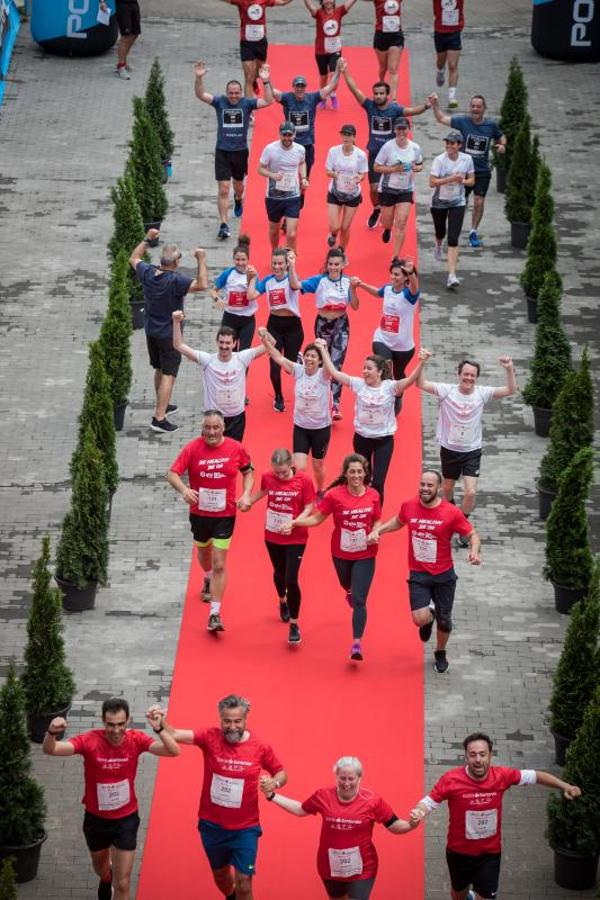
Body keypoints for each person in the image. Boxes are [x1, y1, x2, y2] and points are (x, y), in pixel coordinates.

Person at [409, 732, 581, 900]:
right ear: (466, 757)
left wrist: (564, 785)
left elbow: (536, 776)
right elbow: (429, 801)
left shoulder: (502, 776)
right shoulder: (451, 780)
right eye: (473, 755)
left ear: (490, 755)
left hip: (489, 854)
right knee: (458, 894)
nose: (478, 760)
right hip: (458, 853)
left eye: (482, 754)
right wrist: (419, 811)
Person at [43, 698, 179, 900]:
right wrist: (52, 732)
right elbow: (51, 749)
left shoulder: (136, 739)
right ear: (103, 721)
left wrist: (159, 729)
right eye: (111, 725)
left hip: (126, 819)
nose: (116, 730)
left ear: (128, 720)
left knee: (123, 882)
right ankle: (106, 878)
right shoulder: (89, 740)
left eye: (121, 724)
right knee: (101, 868)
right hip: (96, 820)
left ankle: (114, 882)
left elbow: (173, 751)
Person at [165, 694, 287, 900]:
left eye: (237, 721)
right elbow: (175, 734)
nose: (232, 726)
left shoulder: (260, 747)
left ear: (245, 720)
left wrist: (274, 783)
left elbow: (281, 772)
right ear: (220, 719)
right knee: (222, 877)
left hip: (245, 830)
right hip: (212, 826)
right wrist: (160, 724)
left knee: (244, 882)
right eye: (227, 721)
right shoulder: (209, 736)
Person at [368, 469, 480, 674]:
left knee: (445, 621)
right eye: (422, 484)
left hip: (444, 575)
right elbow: (399, 521)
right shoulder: (409, 505)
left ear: (439, 488)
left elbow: (472, 533)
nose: (425, 488)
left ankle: (440, 651)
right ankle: (428, 619)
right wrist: (378, 530)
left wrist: (474, 551)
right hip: (419, 573)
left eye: (430, 485)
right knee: (419, 618)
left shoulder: (451, 512)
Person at [262, 755, 418, 898]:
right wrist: (272, 796)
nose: (346, 783)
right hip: (329, 866)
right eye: (342, 778)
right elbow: (300, 809)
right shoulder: (323, 795)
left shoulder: (372, 801)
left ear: (359, 778)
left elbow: (394, 825)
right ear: (336, 776)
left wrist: (411, 824)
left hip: (363, 868)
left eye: (351, 778)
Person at [284, 453, 381, 661]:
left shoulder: (373, 495)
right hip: (341, 553)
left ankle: (356, 644)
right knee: (346, 584)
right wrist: (295, 523)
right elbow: (318, 519)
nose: (356, 475)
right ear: (345, 474)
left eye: (359, 472)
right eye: (352, 472)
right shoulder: (334, 495)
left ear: (365, 474)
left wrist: (375, 532)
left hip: (366, 553)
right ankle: (348, 589)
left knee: (359, 600)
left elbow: (378, 519)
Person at [166, 409, 254, 631]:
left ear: (223, 428)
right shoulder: (193, 448)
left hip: (225, 515)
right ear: (202, 429)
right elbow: (172, 473)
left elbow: (248, 471)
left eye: (216, 428)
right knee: (204, 555)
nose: (212, 432)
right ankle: (207, 578)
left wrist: (245, 494)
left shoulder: (236, 448)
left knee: (219, 564)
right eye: (208, 428)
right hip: (200, 514)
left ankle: (215, 614)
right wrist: (184, 490)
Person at [316, 341, 430, 502]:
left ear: (380, 372)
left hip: (383, 441)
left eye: (369, 369)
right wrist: (323, 349)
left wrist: (422, 362)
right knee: (362, 480)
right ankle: (362, 511)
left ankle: (375, 518)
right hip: (362, 439)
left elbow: (410, 380)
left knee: (377, 483)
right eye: (364, 368)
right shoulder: (358, 384)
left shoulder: (390, 387)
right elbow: (334, 372)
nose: (365, 371)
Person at [417, 356, 517, 529]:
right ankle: (454, 514)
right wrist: (422, 363)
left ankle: (461, 522)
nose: (469, 378)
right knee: (447, 489)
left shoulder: (482, 393)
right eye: (466, 374)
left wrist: (509, 368)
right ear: (459, 374)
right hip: (449, 449)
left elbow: (510, 390)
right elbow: (421, 384)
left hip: (472, 450)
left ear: (476, 378)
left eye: (472, 375)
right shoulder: (446, 390)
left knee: (470, 492)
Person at [129, 230, 208, 434]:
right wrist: (201, 259)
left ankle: (162, 405)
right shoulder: (175, 280)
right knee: (169, 375)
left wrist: (147, 239)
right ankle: (159, 418)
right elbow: (202, 285)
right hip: (170, 335)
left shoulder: (147, 271)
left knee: (159, 368)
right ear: (176, 262)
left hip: (151, 331)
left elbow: (134, 257)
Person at [194, 60, 274, 241]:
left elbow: (269, 100)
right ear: (226, 93)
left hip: (240, 152)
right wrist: (199, 78)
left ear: (240, 93)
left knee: (238, 186)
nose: (234, 96)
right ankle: (223, 224)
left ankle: (238, 198)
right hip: (222, 151)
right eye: (231, 93)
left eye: (237, 93)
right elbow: (200, 95)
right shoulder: (219, 102)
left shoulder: (246, 103)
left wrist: (266, 81)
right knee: (223, 189)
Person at [343, 66, 430, 228]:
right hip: (375, 154)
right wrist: (344, 71)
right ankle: (376, 209)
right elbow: (354, 89)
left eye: (381, 93)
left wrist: (426, 106)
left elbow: (411, 111)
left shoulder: (395, 109)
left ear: (387, 94)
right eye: (376, 93)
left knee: (393, 187)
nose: (378, 96)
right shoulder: (369, 106)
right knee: (374, 188)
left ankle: (392, 210)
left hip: (393, 156)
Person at [243, 448, 315, 643]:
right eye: (277, 472)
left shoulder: (304, 480)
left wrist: (294, 523)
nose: (280, 476)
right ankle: (282, 602)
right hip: (273, 534)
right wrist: (248, 501)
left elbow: (310, 506)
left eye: (284, 472)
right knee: (279, 573)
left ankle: (294, 624)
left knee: (291, 579)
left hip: (296, 536)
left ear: (291, 465)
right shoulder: (268, 476)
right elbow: (265, 491)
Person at [258, 330, 332, 495]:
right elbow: (277, 357)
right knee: (299, 467)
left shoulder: (324, 374)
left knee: (317, 465)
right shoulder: (298, 370)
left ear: (320, 360)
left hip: (321, 428)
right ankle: (301, 493)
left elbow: (329, 366)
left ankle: (320, 490)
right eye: (307, 355)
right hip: (301, 428)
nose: (309, 359)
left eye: (314, 356)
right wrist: (265, 340)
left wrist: (324, 349)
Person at [172, 314, 267, 441]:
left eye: (228, 343)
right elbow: (179, 345)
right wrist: (176, 322)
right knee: (212, 454)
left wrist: (264, 333)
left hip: (236, 418)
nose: (224, 346)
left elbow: (270, 345)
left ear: (234, 344)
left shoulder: (242, 357)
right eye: (221, 342)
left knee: (233, 455)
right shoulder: (207, 360)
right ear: (217, 342)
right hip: (213, 419)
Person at [429, 92, 506, 247]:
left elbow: (501, 136)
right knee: (457, 203)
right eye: (473, 106)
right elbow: (441, 118)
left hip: (482, 171)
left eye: (478, 106)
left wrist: (503, 145)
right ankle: (452, 231)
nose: (475, 109)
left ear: (484, 109)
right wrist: (435, 105)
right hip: (462, 171)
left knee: (479, 201)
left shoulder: (491, 125)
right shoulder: (463, 121)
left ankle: (473, 231)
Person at [353, 256, 420, 414]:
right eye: (392, 274)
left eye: (397, 275)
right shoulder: (388, 289)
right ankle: (385, 401)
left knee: (398, 374)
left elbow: (415, 287)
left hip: (403, 346)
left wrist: (411, 273)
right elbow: (377, 293)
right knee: (386, 368)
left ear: (405, 278)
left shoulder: (410, 295)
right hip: (382, 338)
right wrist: (361, 285)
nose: (393, 278)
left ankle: (398, 396)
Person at [273, 61, 344, 206]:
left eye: (302, 86)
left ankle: (300, 196)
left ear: (305, 88)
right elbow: (273, 93)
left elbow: (330, 87)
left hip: (307, 146)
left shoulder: (312, 98)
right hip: (289, 145)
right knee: (288, 176)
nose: (299, 89)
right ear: (293, 87)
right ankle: (289, 204)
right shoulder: (287, 98)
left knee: (304, 178)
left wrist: (338, 71)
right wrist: (265, 79)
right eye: (297, 86)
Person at [300, 247, 360, 419]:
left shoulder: (348, 281)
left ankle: (334, 405)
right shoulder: (319, 280)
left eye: (336, 264)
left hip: (341, 324)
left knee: (336, 364)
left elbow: (355, 306)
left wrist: (354, 289)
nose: (333, 267)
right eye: (330, 264)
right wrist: (291, 264)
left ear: (343, 265)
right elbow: (297, 286)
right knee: (322, 363)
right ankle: (318, 398)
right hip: (323, 325)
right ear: (327, 265)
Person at [248, 249, 304, 412]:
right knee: (274, 365)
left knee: (289, 367)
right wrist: (253, 277)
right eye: (274, 263)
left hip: (293, 326)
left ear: (286, 264)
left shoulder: (292, 278)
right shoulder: (268, 281)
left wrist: (292, 266)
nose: (277, 267)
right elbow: (251, 296)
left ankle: (296, 357)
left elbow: (294, 285)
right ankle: (278, 396)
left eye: (280, 263)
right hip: (274, 325)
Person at [218, 0, 294, 99]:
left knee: (258, 73)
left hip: (260, 42)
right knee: (248, 77)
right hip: (246, 43)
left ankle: (255, 81)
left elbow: (283, 2)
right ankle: (249, 108)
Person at [429, 130, 475, 289]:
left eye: (452, 143)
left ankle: (451, 275)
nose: (449, 145)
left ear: (460, 145)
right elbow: (431, 182)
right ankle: (438, 245)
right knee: (440, 232)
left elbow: (472, 181)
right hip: (439, 202)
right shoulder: (439, 160)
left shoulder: (467, 159)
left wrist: (462, 180)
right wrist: (450, 179)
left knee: (453, 238)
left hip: (458, 201)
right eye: (447, 142)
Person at [373, 116, 423, 257]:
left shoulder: (415, 148)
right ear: (395, 130)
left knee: (401, 223)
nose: (401, 132)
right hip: (388, 189)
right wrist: (394, 169)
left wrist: (418, 168)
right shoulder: (388, 147)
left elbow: (419, 164)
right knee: (387, 222)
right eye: (399, 129)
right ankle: (387, 229)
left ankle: (395, 257)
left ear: (409, 129)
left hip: (406, 189)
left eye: (404, 129)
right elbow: (376, 167)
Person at [258, 122, 308, 251]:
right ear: (279, 135)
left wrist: (303, 178)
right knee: (274, 231)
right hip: (273, 196)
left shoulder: (300, 149)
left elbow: (302, 163)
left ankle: (291, 259)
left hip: (293, 196)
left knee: (291, 234)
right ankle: (275, 253)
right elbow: (260, 169)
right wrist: (272, 175)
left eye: (289, 135)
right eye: (284, 135)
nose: (287, 138)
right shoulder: (270, 149)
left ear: (295, 135)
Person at [211, 235, 259, 351]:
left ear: (248, 260)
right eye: (237, 259)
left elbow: (257, 293)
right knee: (228, 352)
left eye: (243, 260)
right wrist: (217, 299)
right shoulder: (228, 273)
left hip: (247, 320)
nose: (240, 263)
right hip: (230, 318)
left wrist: (250, 280)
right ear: (233, 259)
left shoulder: (253, 274)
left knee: (244, 353)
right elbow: (213, 290)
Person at [325, 124, 369, 251]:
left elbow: (363, 175)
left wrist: (358, 178)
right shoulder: (333, 151)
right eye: (344, 134)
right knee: (335, 227)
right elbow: (328, 171)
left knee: (345, 227)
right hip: (335, 192)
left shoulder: (360, 155)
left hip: (352, 195)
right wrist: (334, 174)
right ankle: (333, 234)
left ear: (354, 137)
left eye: (349, 135)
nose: (346, 137)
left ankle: (342, 251)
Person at [303, 0, 357, 98]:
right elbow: (310, 7)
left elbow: (350, 3)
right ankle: (322, 97)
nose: (328, 1)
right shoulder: (319, 13)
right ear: (322, 2)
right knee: (323, 77)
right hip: (321, 51)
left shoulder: (339, 11)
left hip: (335, 49)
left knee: (333, 74)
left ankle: (332, 94)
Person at [366, 0, 405, 102]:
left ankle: (393, 98)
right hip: (381, 35)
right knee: (383, 67)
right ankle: (381, 82)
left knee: (393, 69)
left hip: (396, 35)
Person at [433, 0, 465, 109]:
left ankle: (452, 97)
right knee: (441, 62)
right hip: (440, 32)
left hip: (455, 33)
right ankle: (440, 71)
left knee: (452, 65)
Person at [100, 0, 140, 80]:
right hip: (122, 5)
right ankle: (120, 66)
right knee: (125, 36)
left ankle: (124, 62)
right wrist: (102, 2)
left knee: (135, 34)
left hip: (134, 4)